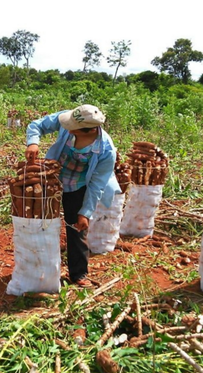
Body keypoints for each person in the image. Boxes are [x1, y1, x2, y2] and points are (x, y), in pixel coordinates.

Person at [25, 104, 121, 288]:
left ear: (89, 130)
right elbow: (37, 125)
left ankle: (78, 274)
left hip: (78, 185)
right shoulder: (70, 119)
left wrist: (85, 212)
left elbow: (97, 184)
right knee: (40, 221)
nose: (66, 126)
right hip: (50, 179)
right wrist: (33, 142)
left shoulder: (105, 150)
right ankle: (39, 267)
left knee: (76, 228)